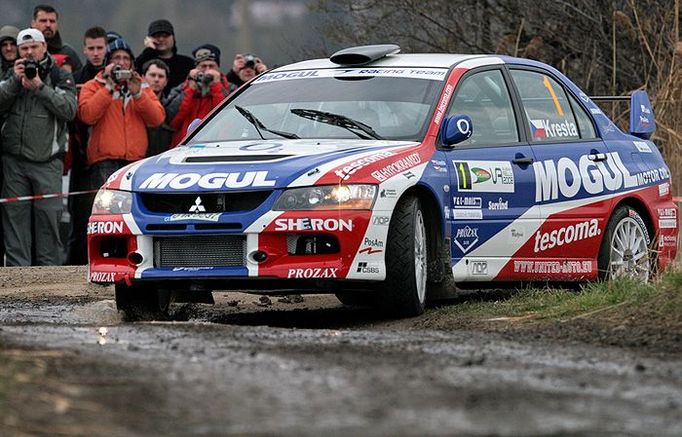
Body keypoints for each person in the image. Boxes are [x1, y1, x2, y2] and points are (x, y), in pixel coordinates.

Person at [0, 28, 76, 266]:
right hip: (14, 161)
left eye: (34, 47)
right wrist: (15, 82)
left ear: (44, 47)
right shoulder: (11, 73)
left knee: (48, 224)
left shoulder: (59, 74)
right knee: (15, 224)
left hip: (48, 161)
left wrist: (40, 87)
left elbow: (69, 110)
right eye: (24, 49)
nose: (29, 52)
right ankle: (18, 281)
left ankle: (49, 281)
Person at [78, 38, 164, 194]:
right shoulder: (93, 85)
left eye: (126, 58)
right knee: (106, 208)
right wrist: (109, 87)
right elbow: (87, 116)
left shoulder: (141, 85)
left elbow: (157, 119)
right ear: (108, 62)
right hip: (104, 161)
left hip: (135, 161)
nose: (122, 62)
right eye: (116, 58)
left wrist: (138, 94)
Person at [66, 26, 108, 265]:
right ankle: (74, 266)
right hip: (82, 159)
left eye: (99, 48)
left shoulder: (116, 76)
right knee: (79, 220)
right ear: (84, 49)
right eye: (91, 48)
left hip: (103, 153)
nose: (95, 53)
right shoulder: (78, 78)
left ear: (106, 48)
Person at [165, 44, 234, 146]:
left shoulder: (231, 89)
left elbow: (227, 117)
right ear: (196, 68)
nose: (207, 70)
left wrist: (216, 87)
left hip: (219, 145)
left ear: (218, 68)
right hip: (185, 146)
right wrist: (191, 88)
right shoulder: (181, 89)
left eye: (211, 66)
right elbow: (173, 121)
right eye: (203, 66)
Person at [134, 19, 193, 96]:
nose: (161, 39)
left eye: (165, 35)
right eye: (156, 36)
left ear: (173, 38)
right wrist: (149, 50)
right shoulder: (143, 61)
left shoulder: (187, 63)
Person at [31, 4, 82, 72]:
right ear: (33, 23)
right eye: (43, 21)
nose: (48, 25)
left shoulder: (67, 52)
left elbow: (81, 80)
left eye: (52, 21)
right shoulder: (22, 50)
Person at [142, 59, 174, 157]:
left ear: (166, 82)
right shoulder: (133, 103)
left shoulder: (171, 106)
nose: (156, 79)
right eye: (152, 75)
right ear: (143, 78)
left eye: (160, 76)